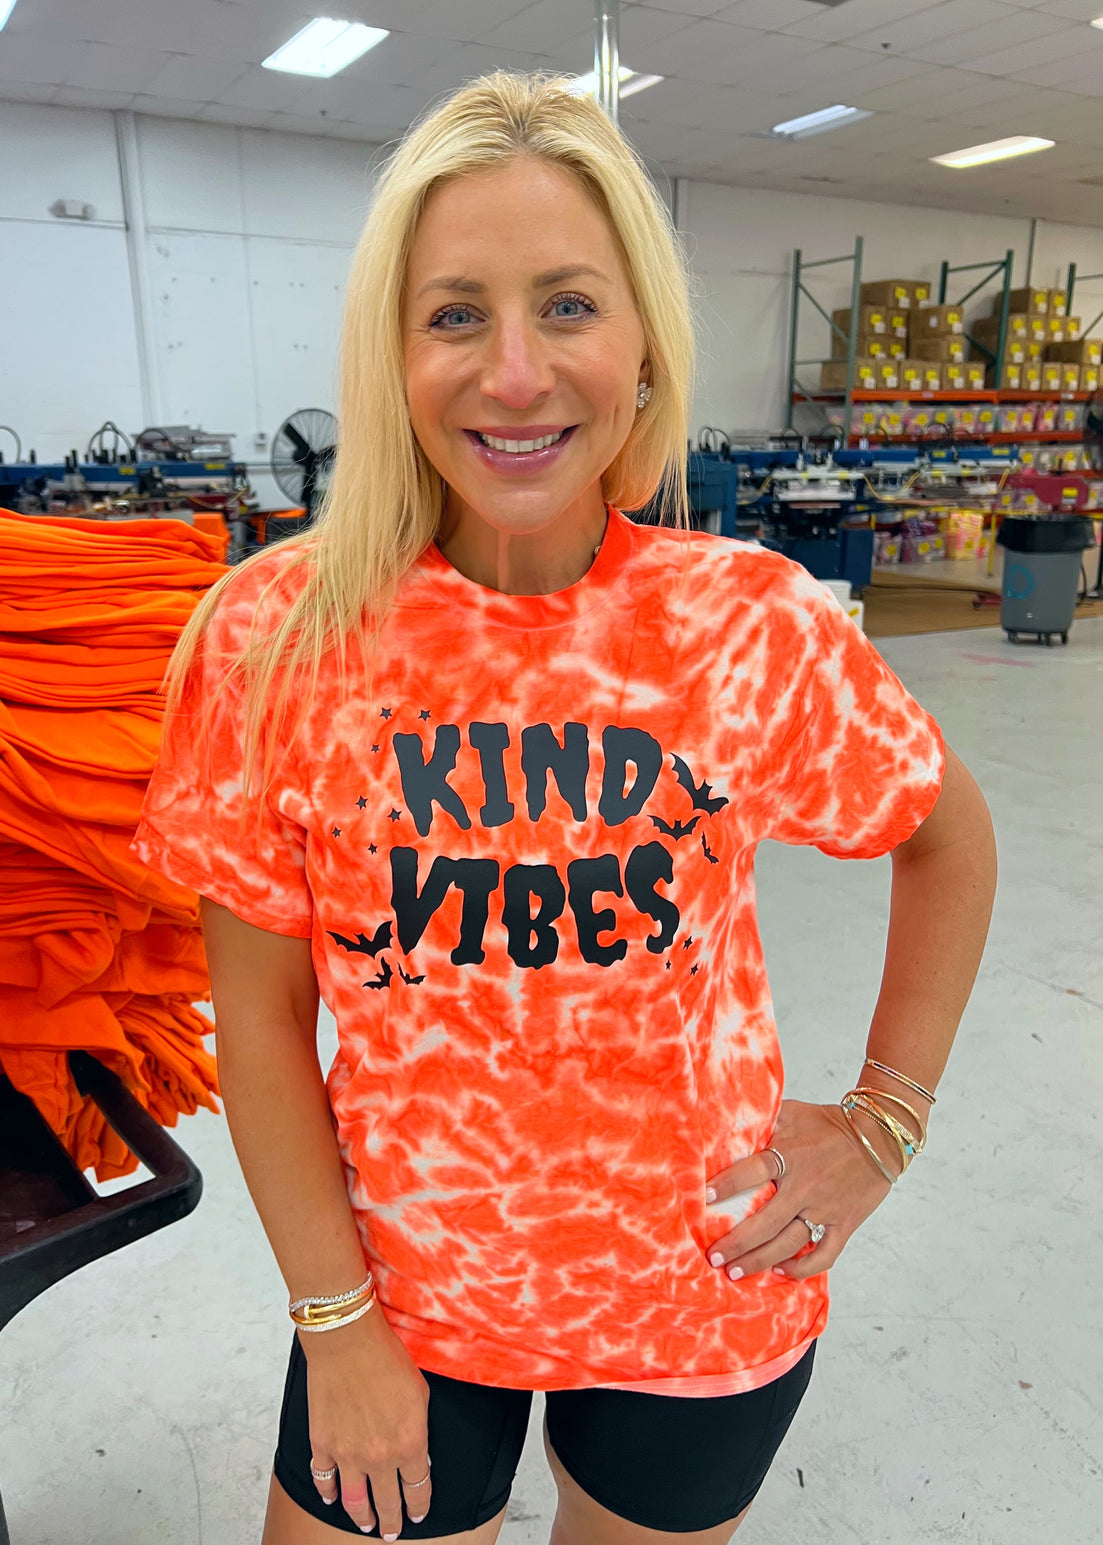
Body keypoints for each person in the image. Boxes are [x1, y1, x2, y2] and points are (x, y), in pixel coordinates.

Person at [133, 70, 997, 1545]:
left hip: (704, 1293)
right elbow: (260, 1018)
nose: (516, 372)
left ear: (645, 345)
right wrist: (334, 1321)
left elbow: (944, 835)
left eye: (570, 306)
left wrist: (885, 1121)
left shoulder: (747, 622)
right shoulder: (277, 634)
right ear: (390, 355)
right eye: (456, 312)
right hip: (400, 1291)